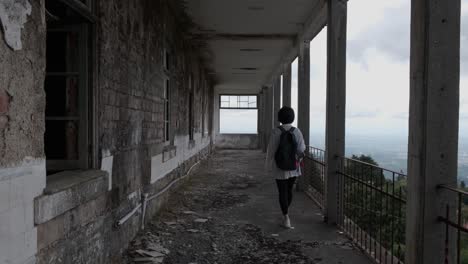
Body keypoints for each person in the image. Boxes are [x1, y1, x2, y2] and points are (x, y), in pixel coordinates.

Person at [265, 106, 306, 229]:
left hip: (279, 167)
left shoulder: (276, 131)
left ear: (280, 118)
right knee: (289, 191)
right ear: (292, 117)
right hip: (294, 166)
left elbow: (270, 151)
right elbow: (301, 149)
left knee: (282, 191)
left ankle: (286, 217)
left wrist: (268, 166)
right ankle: (286, 213)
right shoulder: (297, 131)